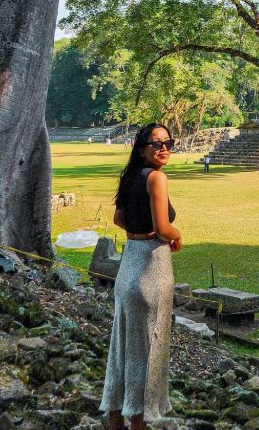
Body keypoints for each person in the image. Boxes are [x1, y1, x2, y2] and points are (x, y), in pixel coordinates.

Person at [100, 123, 182, 430]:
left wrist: (137, 233)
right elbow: (163, 228)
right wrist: (176, 234)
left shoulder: (131, 176)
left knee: (124, 349)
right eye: (156, 143)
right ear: (141, 147)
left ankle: (114, 417)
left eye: (168, 143)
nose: (163, 148)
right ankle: (140, 422)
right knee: (148, 353)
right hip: (151, 268)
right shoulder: (157, 178)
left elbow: (118, 218)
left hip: (128, 267)